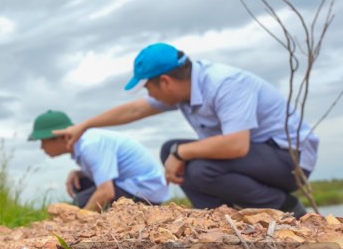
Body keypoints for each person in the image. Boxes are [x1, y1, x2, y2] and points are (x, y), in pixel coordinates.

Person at [55, 43, 318, 218]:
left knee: (197, 164)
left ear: (166, 82)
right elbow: (134, 110)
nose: (149, 94)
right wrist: (85, 125)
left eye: (148, 87)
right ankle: (216, 219)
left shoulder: (225, 84)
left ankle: (286, 208)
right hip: (257, 158)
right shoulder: (183, 91)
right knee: (172, 150)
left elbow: (237, 145)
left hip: (290, 159)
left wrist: (182, 152)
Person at [29, 110, 169, 211]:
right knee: (80, 185)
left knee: (81, 203)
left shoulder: (91, 145)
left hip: (146, 192)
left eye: (43, 141)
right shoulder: (87, 142)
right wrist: (79, 173)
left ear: (61, 136)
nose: (42, 147)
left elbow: (106, 192)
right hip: (135, 185)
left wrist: (81, 217)